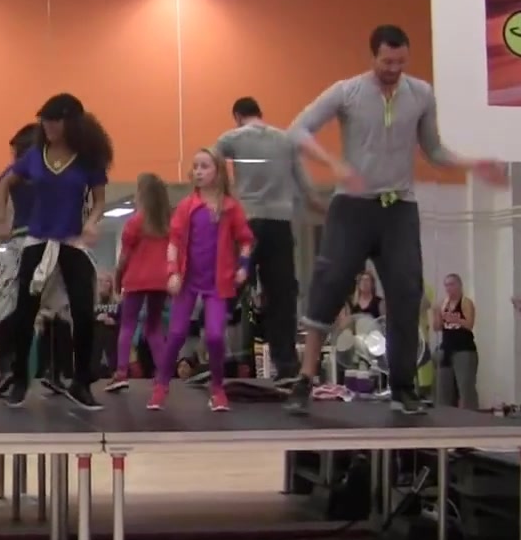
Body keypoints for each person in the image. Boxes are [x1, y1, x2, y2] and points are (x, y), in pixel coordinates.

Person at [285, 25, 507, 415]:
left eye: (400, 62)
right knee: (329, 285)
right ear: (373, 56)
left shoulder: (421, 94)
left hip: (399, 208)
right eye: (387, 61)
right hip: (352, 206)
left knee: (407, 294)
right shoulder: (347, 92)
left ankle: (403, 388)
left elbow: (434, 150)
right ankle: (305, 378)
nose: (393, 68)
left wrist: (474, 164)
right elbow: (297, 130)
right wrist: (334, 163)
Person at [0, 93, 113, 410]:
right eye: (45, 121)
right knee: (25, 310)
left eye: (54, 120)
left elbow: (99, 199)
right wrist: (0, 215)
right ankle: (20, 379)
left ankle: (81, 382)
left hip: (72, 241)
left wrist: (93, 223)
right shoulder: (35, 156)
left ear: (71, 123)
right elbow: (3, 182)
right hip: (37, 239)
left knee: (83, 312)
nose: (48, 126)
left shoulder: (87, 159)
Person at [216, 97, 324, 385]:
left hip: (247, 222)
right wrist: (322, 207)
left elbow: (208, 164)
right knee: (282, 296)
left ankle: (211, 354)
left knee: (228, 289)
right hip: (279, 224)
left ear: (237, 116)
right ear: (260, 113)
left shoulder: (232, 138)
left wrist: (224, 201)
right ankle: (286, 365)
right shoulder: (286, 140)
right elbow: (306, 185)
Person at [153, 148, 254, 412]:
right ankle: (161, 385)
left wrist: (243, 266)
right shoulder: (187, 206)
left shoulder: (230, 208)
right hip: (188, 281)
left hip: (217, 283)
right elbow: (173, 242)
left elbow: (246, 241)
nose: (198, 171)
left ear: (217, 172)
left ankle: (217, 389)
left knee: (216, 337)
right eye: (195, 166)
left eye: (204, 166)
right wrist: (172, 272)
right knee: (176, 334)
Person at [0, 124, 38, 395]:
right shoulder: (33, 170)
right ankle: (21, 367)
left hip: (22, 239)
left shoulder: (14, 172)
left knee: (12, 305)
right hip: (36, 239)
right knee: (44, 307)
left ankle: (9, 365)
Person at [107, 173, 171, 393]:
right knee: (154, 328)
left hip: (136, 280)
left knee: (127, 326)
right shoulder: (167, 225)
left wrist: (117, 279)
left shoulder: (135, 222)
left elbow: (124, 258)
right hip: (160, 281)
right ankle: (163, 374)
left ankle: (121, 373)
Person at [432, 273, 478, 409]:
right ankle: (446, 416)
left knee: (465, 389)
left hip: (464, 349)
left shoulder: (465, 302)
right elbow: (437, 327)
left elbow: (470, 324)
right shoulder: (443, 304)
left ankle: (470, 416)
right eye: (446, 285)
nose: (448, 288)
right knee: (443, 390)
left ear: (459, 286)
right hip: (447, 349)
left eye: (451, 284)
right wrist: (436, 314)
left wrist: (456, 319)